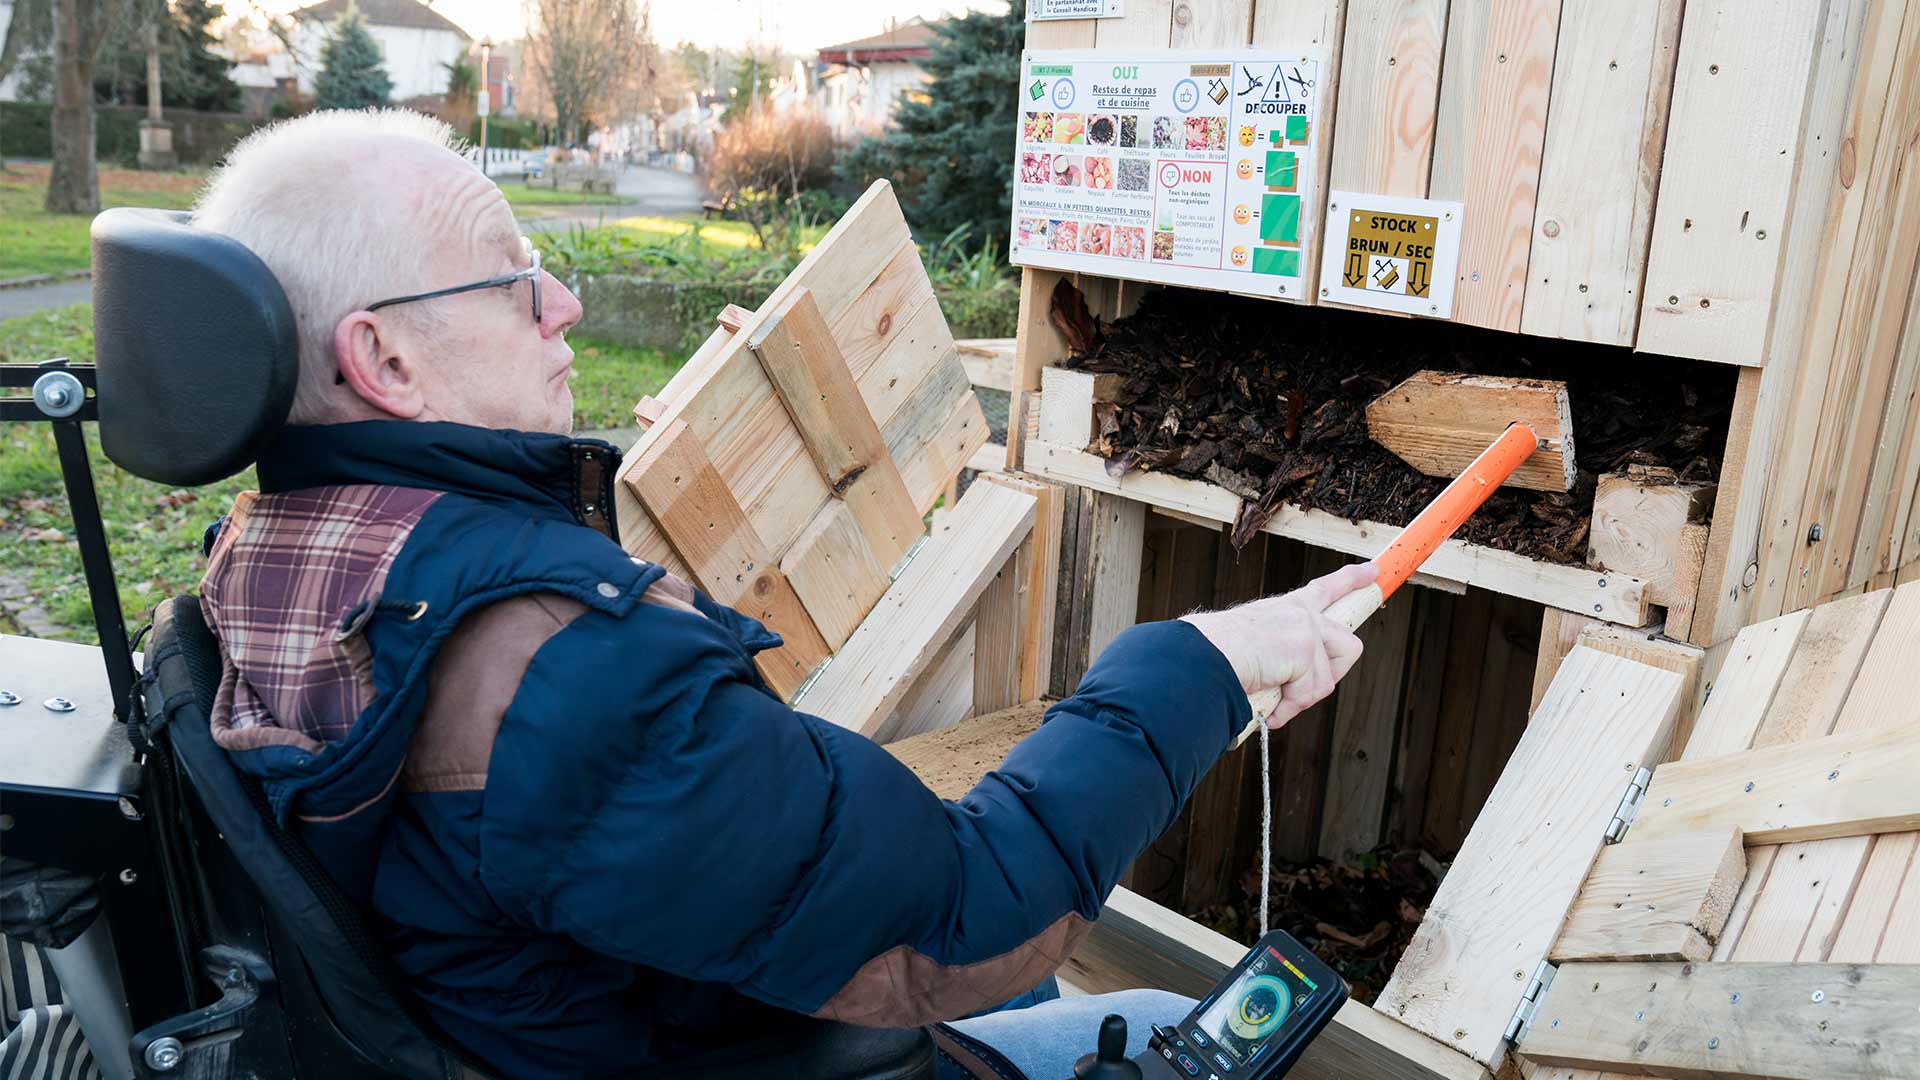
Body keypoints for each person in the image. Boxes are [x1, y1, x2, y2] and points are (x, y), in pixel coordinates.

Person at [187, 110, 1373, 1080]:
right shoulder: (557, 671)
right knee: (1164, 1010)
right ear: (384, 359)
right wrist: (1193, 668)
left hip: (607, 1003)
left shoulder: (271, 549)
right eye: (514, 283)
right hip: (733, 1047)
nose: (564, 308)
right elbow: (963, 918)